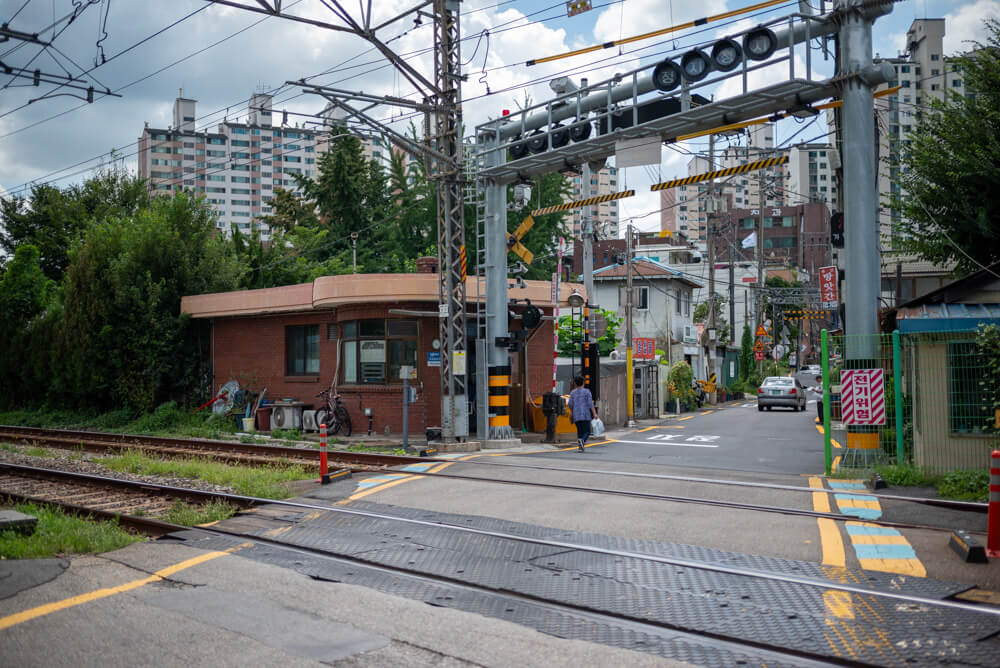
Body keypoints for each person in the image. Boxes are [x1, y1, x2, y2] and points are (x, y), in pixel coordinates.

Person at [568, 375, 598, 453]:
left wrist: (572, 412)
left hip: (576, 415)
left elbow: (570, 404)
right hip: (585, 414)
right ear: (583, 383)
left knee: (580, 431)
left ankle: (580, 447)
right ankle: (582, 441)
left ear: (575, 384)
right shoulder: (587, 392)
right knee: (587, 431)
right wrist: (594, 413)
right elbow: (590, 404)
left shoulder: (572, 392)